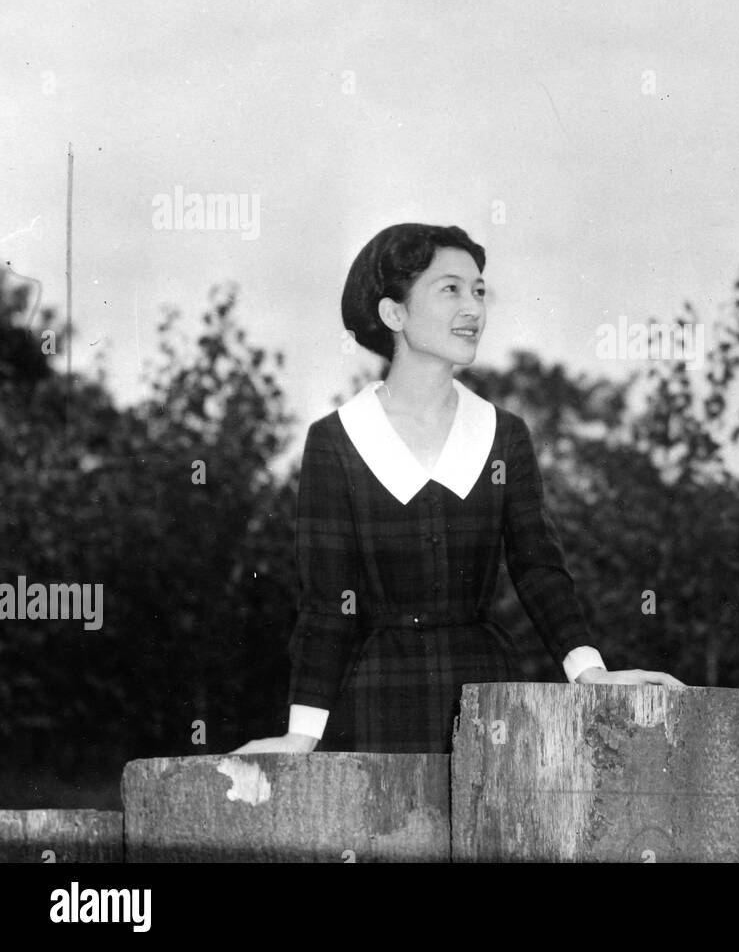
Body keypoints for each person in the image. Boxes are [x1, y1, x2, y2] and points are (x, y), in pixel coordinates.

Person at [235, 223, 682, 756]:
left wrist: (591, 673)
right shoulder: (335, 439)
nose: (473, 308)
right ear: (393, 314)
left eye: (478, 291)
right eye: (450, 289)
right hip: (376, 701)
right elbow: (328, 605)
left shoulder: (504, 432)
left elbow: (539, 570)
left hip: (489, 700)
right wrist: (302, 734)